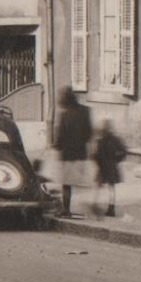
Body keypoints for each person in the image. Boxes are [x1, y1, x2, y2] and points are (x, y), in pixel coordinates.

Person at [50, 86, 92, 218]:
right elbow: (89, 134)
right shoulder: (86, 111)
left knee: (66, 184)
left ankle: (66, 210)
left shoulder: (64, 115)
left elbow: (59, 138)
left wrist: (55, 145)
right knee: (75, 182)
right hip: (80, 153)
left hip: (67, 154)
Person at [92, 120, 126, 218]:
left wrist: (98, 162)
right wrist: (116, 160)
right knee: (111, 188)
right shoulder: (116, 140)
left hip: (103, 167)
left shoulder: (101, 140)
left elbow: (96, 155)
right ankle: (111, 208)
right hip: (111, 166)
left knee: (99, 186)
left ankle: (96, 204)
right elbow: (123, 152)